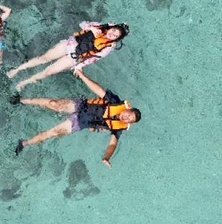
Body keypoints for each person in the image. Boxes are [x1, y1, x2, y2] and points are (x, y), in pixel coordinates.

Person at [10, 69, 141, 168]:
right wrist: (82, 75)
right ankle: (21, 101)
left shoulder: (118, 129)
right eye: (129, 115)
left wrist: (107, 157)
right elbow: (98, 89)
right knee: (54, 105)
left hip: (80, 122)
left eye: (129, 120)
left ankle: (24, 144)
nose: (126, 118)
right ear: (127, 109)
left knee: (53, 133)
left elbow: (113, 144)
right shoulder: (115, 102)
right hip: (81, 106)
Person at [7, 21, 130, 91]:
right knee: (43, 59)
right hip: (68, 44)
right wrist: (91, 28)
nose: (112, 34)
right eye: (113, 31)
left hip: (73, 58)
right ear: (111, 27)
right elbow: (82, 23)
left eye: (115, 36)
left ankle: (25, 82)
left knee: (48, 72)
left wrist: (79, 67)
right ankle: (17, 70)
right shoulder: (99, 26)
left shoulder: (107, 48)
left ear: (116, 39)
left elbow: (93, 59)